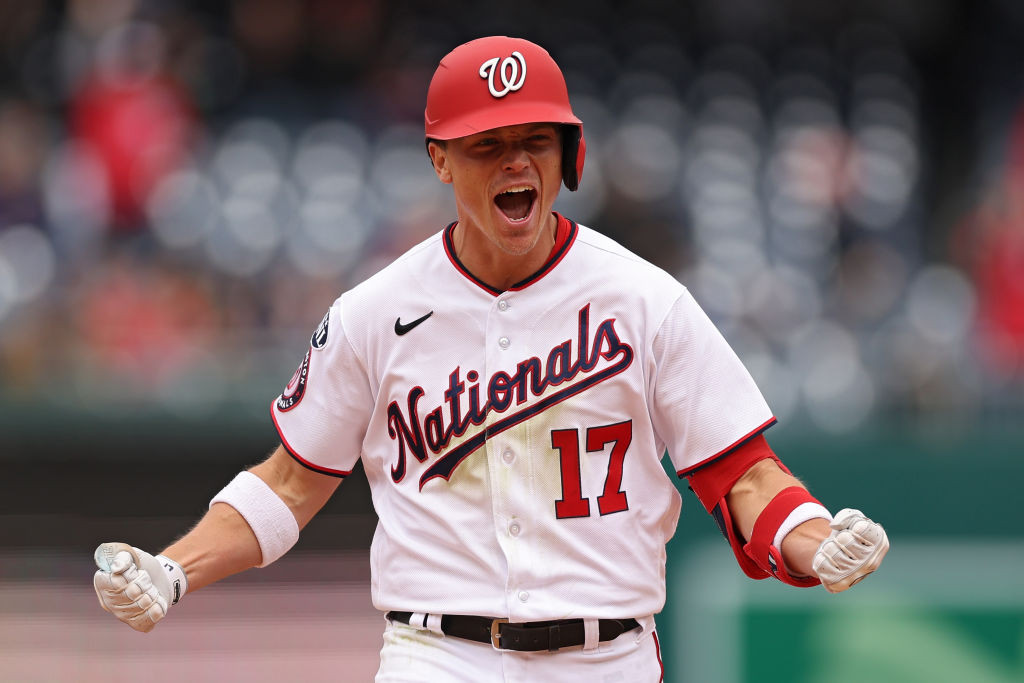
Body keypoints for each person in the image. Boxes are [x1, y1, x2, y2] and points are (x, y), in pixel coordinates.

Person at [93, 36, 889, 682]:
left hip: (606, 657)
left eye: (536, 141)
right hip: (437, 654)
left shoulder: (646, 302)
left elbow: (743, 474)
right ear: (440, 159)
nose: (516, 163)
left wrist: (814, 534)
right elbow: (290, 483)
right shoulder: (374, 313)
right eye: (488, 145)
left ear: (568, 154)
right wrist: (173, 569)